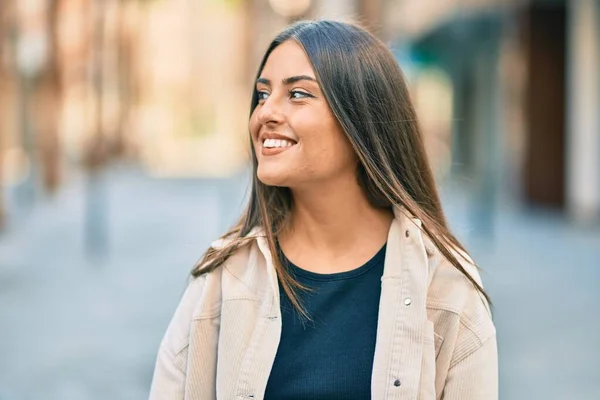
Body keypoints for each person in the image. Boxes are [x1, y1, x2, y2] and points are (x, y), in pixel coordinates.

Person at [149, 20, 497, 400]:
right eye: (262, 95)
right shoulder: (222, 281)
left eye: (297, 94)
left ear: (361, 120)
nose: (266, 113)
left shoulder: (445, 286)